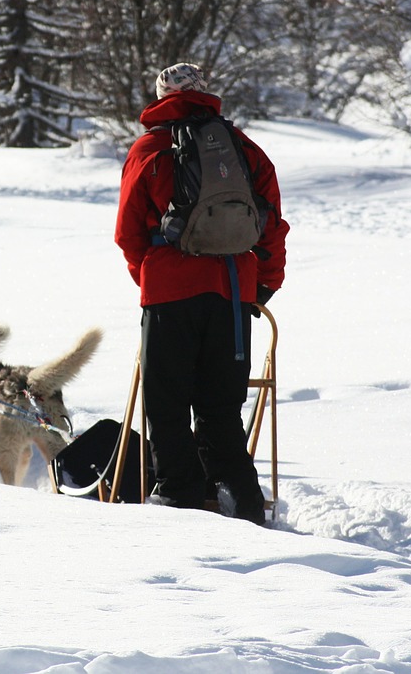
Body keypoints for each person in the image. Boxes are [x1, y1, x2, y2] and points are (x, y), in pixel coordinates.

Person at [114, 62, 288, 524]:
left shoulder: (149, 148)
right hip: (232, 293)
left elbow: (128, 233)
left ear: (161, 96)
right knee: (221, 410)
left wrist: (151, 278)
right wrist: (263, 283)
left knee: (167, 406)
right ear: (206, 93)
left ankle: (178, 499)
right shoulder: (245, 149)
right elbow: (272, 225)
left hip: (169, 294)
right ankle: (244, 503)